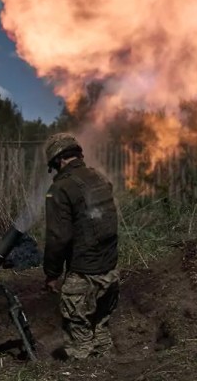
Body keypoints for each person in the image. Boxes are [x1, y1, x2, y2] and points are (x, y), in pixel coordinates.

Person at [42, 132, 120, 360]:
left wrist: (52, 274)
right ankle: (107, 367)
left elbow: (58, 238)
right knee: (101, 330)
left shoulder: (61, 188)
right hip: (110, 274)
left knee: (80, 343)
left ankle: (85, 369)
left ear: (58, 161)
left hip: (84, 275)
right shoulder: (100, 178)